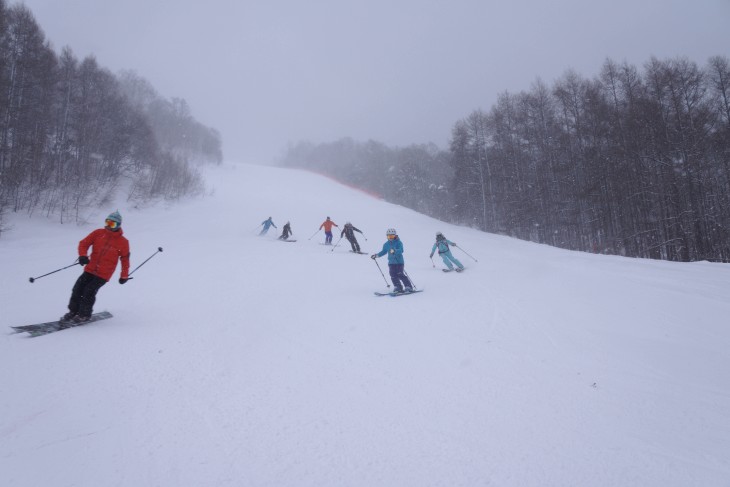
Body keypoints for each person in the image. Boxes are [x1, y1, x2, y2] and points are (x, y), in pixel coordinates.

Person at [62, 211, 130, 324]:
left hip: (103, 274)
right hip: (90, 269)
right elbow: (83, 243)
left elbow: (125, 259)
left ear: (118, 225)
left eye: (112, 224)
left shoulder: (123, 242)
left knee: (89, 291)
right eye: (107, 222)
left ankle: (84, 315)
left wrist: (124, 275)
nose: (108, 225)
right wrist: (83, 255)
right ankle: (73, 312)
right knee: (77, 289)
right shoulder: (98, 233)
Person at [371, 228, 413, 293]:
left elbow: (401, 250)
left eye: (392, 236)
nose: (390, 238)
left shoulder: (399, 242)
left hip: (399, 262)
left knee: (400, 274)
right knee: (393, 275)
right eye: (389, 236)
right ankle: (398, 287)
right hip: (391, 263)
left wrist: (395, 251)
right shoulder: (386, 244)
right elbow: (383, 252)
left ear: (395, 236)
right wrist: (376, 255)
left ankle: (408, 286)